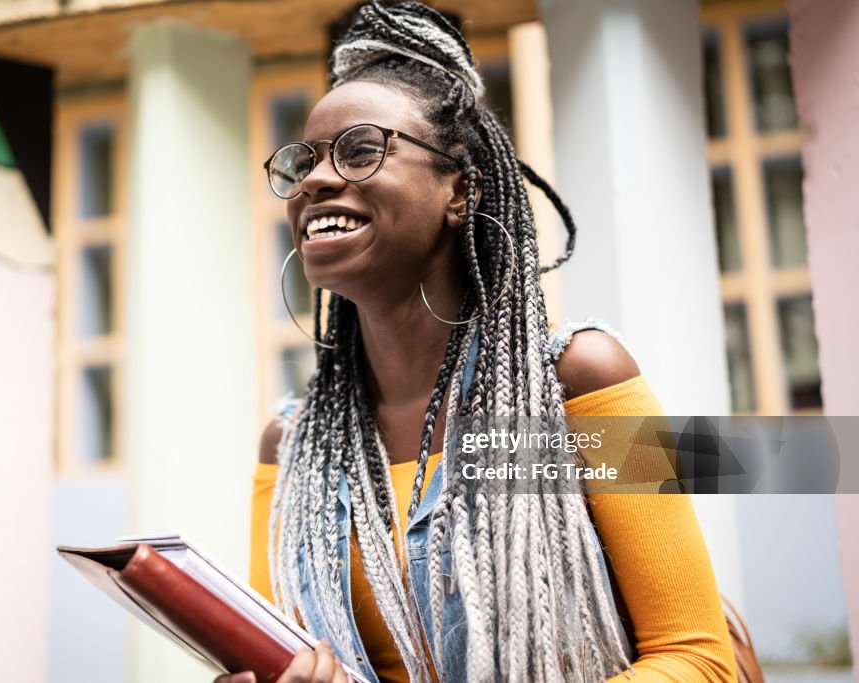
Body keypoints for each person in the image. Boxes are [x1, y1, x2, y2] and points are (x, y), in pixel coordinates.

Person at [219, 2, 737, 681]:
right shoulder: (287, 445)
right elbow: (278, 653)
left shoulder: (581, 378)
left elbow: (697, 658)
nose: (314, 179)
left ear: (460, 190)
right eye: (303, 161)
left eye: (361, 149)